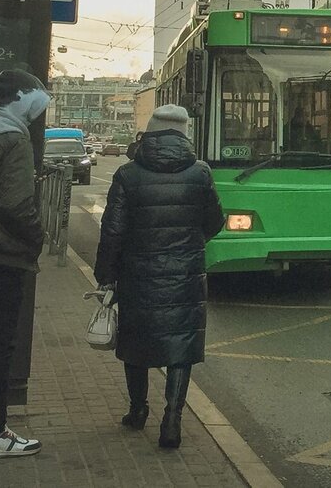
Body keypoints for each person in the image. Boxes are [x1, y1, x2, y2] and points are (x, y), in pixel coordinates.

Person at [94, 105, 224, 449]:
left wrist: (105, 275)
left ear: (149, 133)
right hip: (185, 275)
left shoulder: (127, 174)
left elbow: (112, 231)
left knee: (136, 341)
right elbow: (215, 221)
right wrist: (190, 243)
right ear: (185, 134)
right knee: (181, 346)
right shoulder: (200, 172)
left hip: (138, 275)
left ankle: (138, 411)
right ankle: (172, 421)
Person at [0, 70, 48, 460]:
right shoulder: (13, 138)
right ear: (22, 99)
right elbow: (16, 203)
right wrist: (36, 238)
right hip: (0, 258)